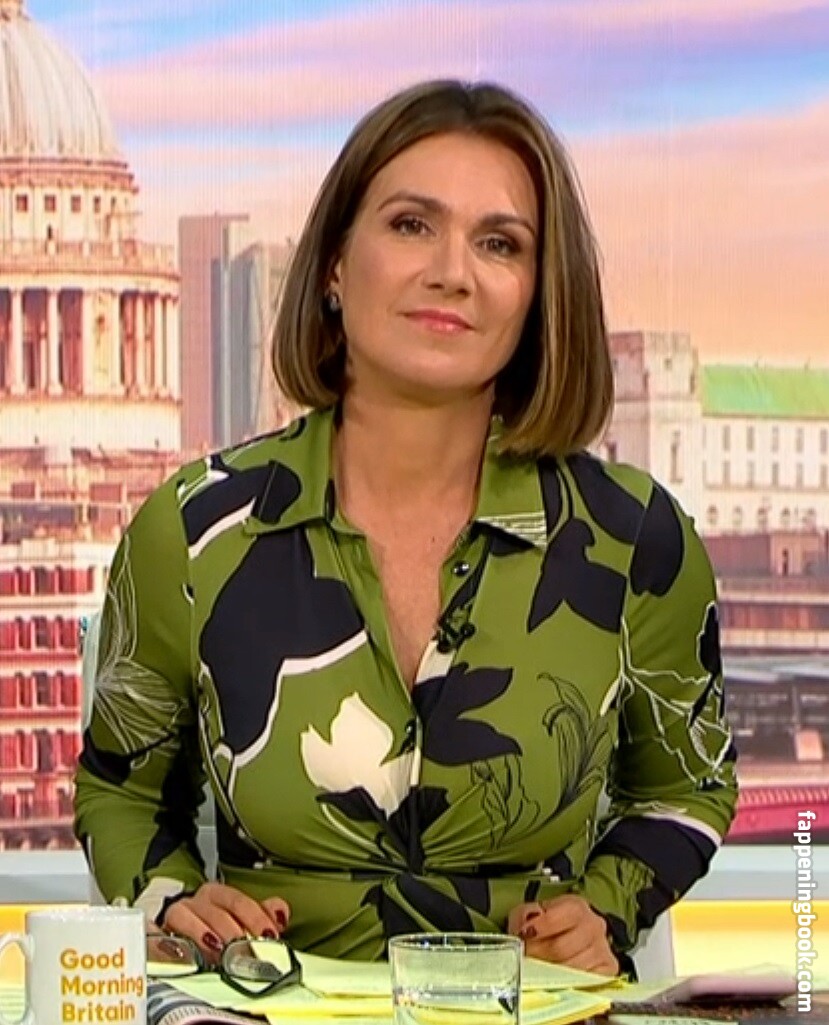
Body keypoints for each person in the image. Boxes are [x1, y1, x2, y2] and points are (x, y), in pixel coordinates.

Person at [74, 79, 737, 975]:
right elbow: (120, 791)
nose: (451, 271)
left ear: (538, 295)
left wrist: (605, 910)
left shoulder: (633, 538)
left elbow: (686, 784)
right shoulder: (194, 530)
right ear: (334, 265)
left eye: (499, 243)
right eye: (411, 224)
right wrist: (174, 900)